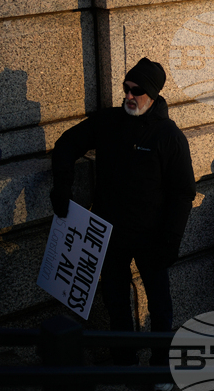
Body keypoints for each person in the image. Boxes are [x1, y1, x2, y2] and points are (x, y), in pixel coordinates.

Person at [50, 58, 195, 373]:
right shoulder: (108, 121)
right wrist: (61, 188)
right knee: (116, 303)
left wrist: (171, 241)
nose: (129, 96)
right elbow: (65, 145)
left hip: (151, 237)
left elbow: (184, 192)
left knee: (160, 307)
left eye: (137, 91)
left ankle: (160, 368)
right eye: (126, 89)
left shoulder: (169, 135)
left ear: (153, 95)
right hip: (108, 233)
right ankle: (125, 365)